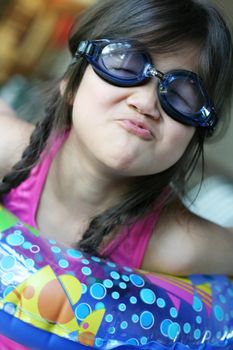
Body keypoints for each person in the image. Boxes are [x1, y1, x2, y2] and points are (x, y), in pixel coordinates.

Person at [0, 0, 233, 276]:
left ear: (193, 136)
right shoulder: (7, 150)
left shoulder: (178, 245)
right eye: (125, 64)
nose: (145, 102)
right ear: (71, 82)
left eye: (182, 96)